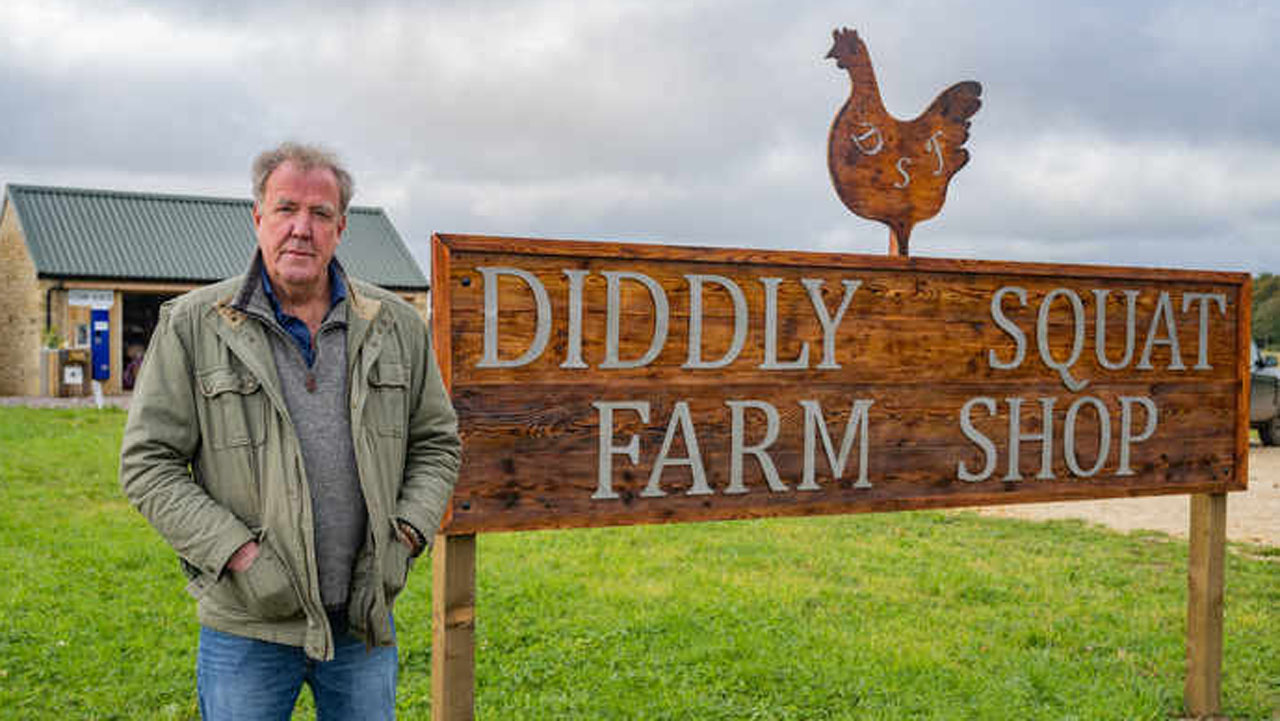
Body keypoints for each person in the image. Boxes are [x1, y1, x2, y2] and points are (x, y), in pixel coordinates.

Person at [120, 141, 460, 719]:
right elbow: (148, 464)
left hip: (361, 622)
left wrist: (404, 535)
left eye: (320, 214)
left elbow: (437, 443)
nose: (302, 228)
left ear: (341, 228)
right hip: (247, 627)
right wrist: (239, 554)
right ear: (258, 218)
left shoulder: (396, 326)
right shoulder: (193, 326)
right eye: (286, 209)